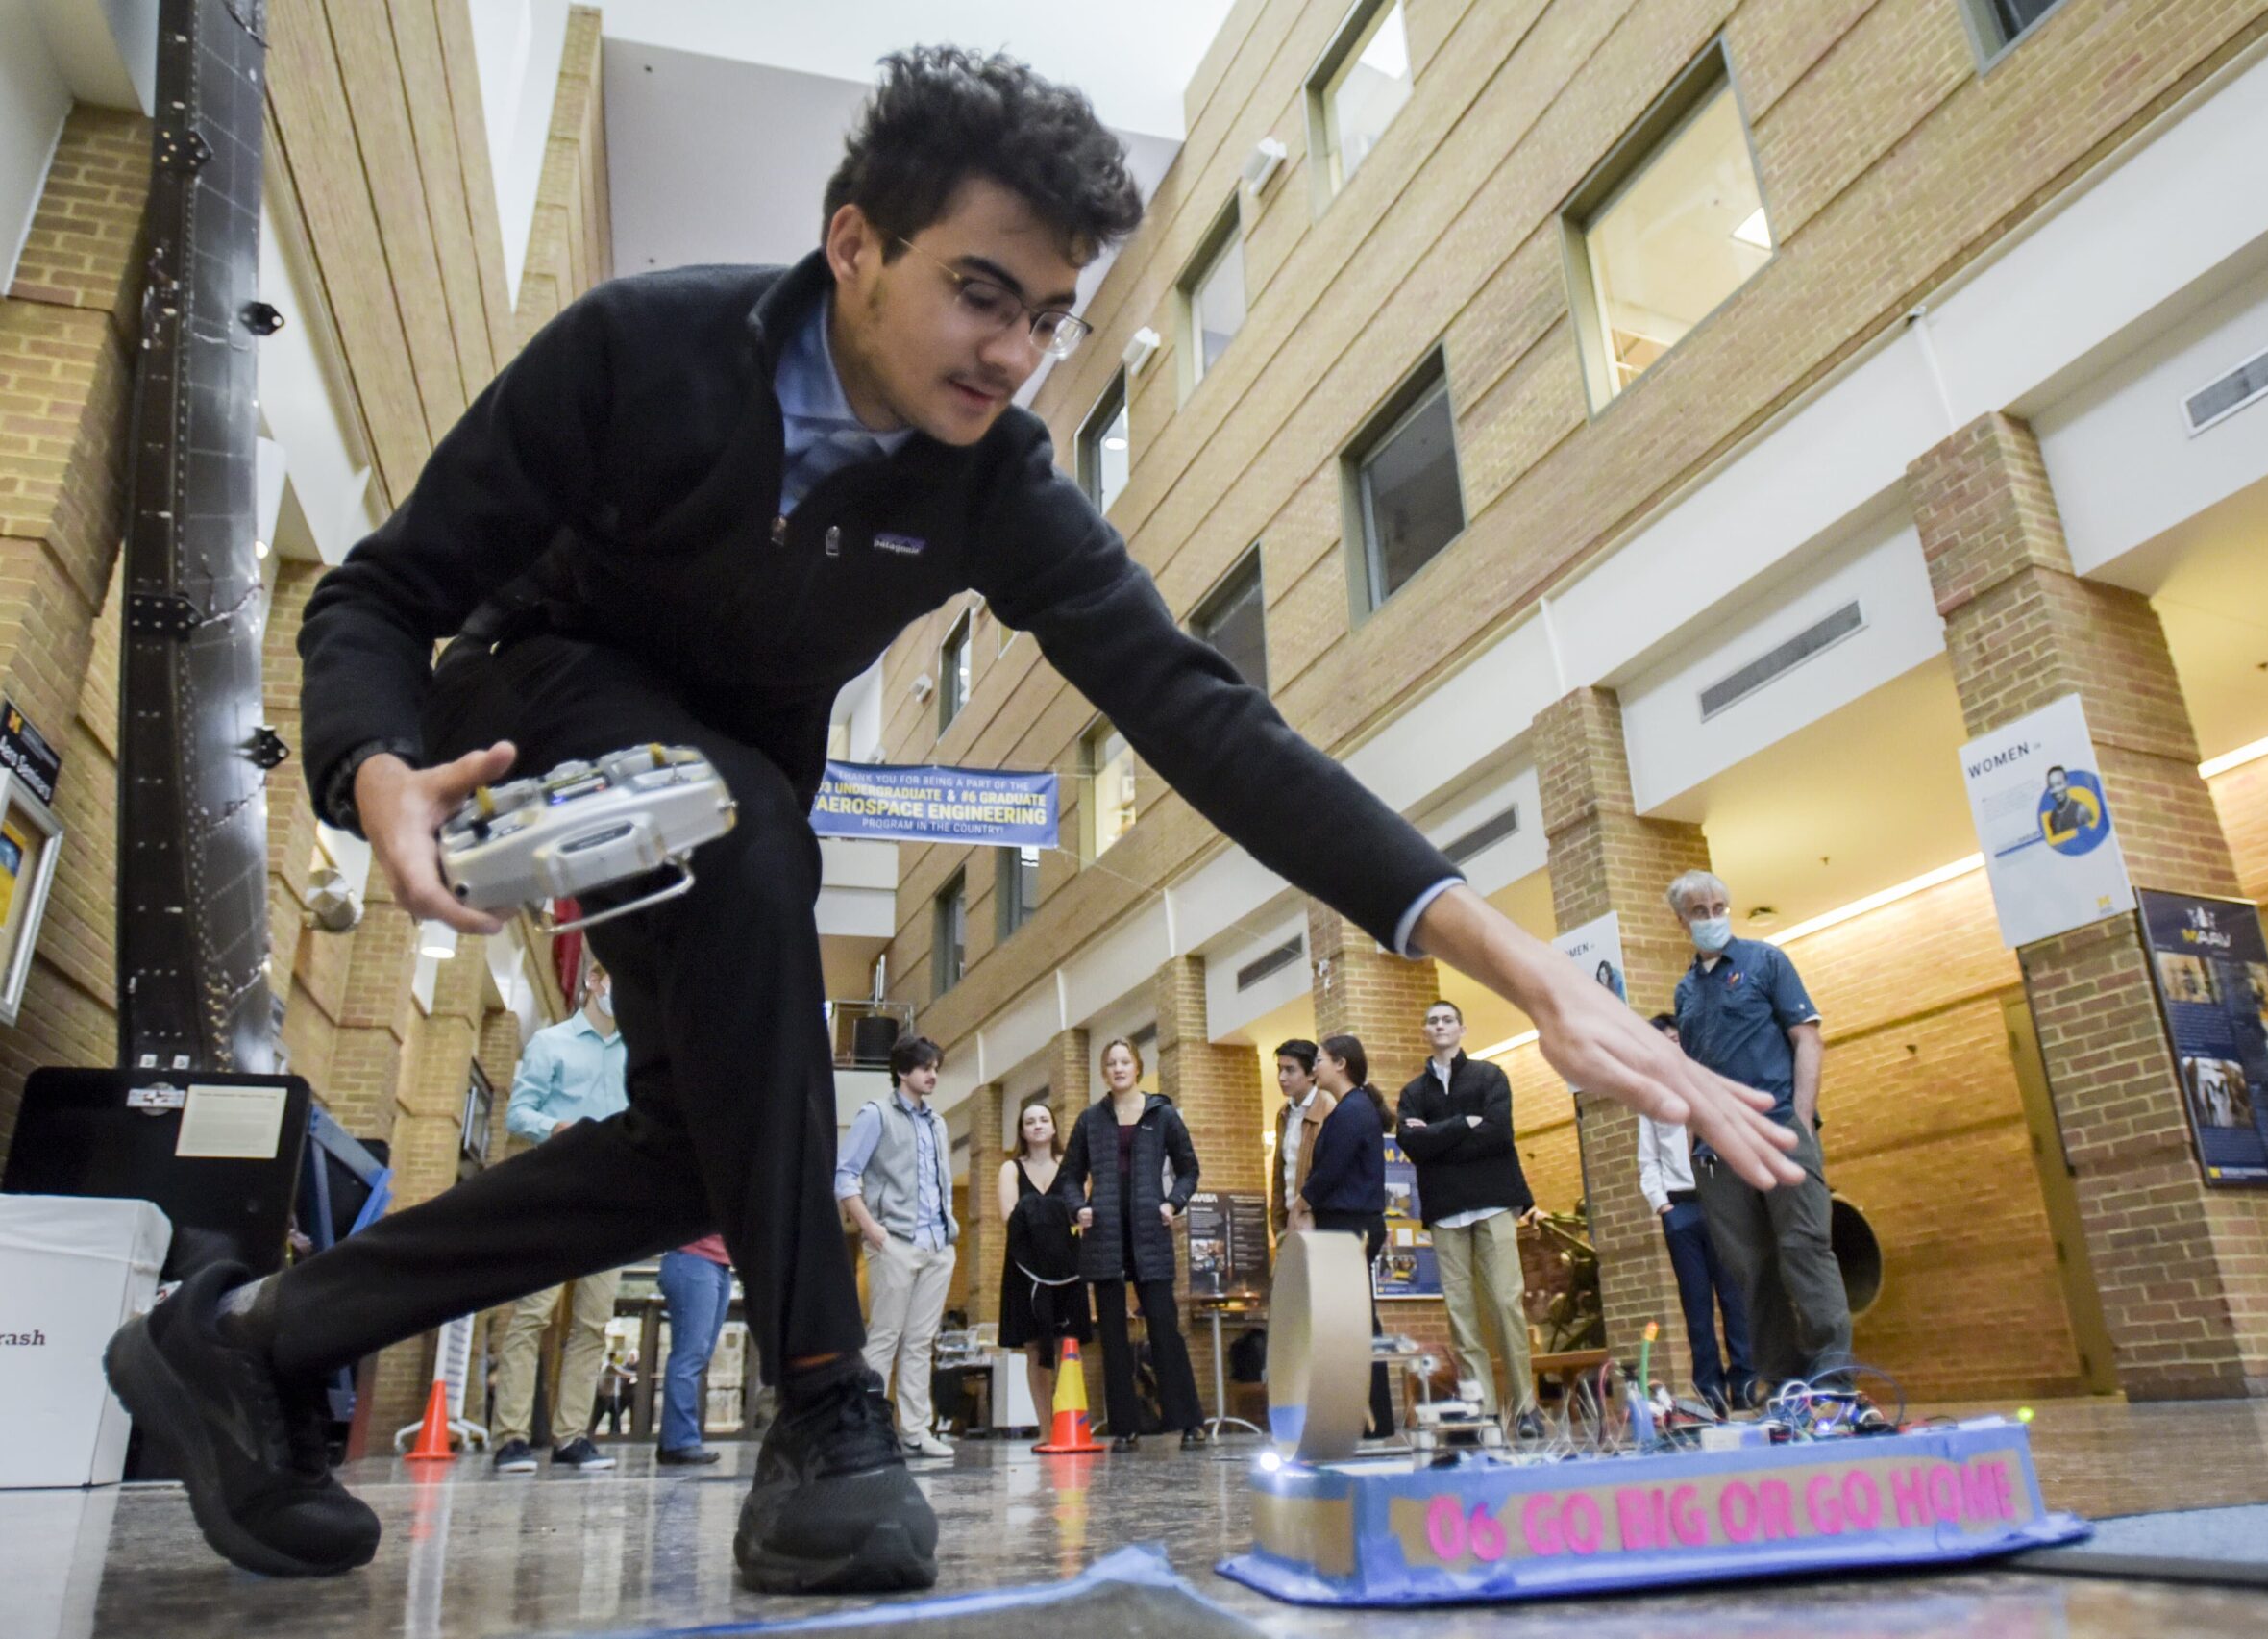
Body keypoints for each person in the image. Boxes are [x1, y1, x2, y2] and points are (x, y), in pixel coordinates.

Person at [104, 46, 1797, 1593]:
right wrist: (372, 770)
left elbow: (1208, 721)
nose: (1014, 351)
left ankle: (253, 1334)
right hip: (536, 707)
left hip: (723, 809)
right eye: (980, 292)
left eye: (1050, 314)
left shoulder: (994, 479)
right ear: (854, 245)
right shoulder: (639, 350)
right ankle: (829, 1407)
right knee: (752, 822)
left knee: (703, 1144)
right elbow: (381, 595)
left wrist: (1529, 972)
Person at [1666, 870, 1851, 1391]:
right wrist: (1693, 1143)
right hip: (1718, 1152)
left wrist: (1802, 1119)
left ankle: (1833, 1377)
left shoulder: (1767, 962)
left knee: (1805, 1248)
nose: (1711, 918)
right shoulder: (1685, 991)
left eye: (1719, 906)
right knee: (1751, 1268)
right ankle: (1785, 1382)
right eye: (1699, 912)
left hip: (1779, 1134)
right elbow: (1692, 1075)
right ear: (1682, 921)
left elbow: (1807, 1039)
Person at [489, 959, 627, 1476]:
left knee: (592, 1322)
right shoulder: (551, 1043)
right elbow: (517, 1113)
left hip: (608, 1200)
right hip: (552, 1191)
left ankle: (572, 1435)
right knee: (532, 1314)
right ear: (594, 981)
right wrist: (556, 1126)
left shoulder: (636, 1056)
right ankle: (512, 1437)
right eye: (616, 982)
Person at [1396, 1000, 1542, 1440]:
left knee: (1504, 1304)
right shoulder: (1412, 1092)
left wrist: (1437, 1136)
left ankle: (1527, 1407)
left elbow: (1498, 1132)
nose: (1439, 1025)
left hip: (1496, 1201)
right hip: (1445, 1211)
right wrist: (1465, 1124)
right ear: (1425, 1030)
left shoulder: (1489, 1076)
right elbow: (1413, 1146)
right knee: (1462, 1317)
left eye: (1447, 1019)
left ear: (1462, 1028)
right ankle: (1484, 1410)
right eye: (1432, 1020)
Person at [1058, 1039, 1207, 1451]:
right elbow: (1070, 1176)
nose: (1118, 1068)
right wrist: (1078, 1208)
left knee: (1165, 1330)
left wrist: (1172, 1202)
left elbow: (1189, 1170)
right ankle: (1125, 1427)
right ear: (1104, 1072)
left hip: (1150, 1234)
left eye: (1125, 1061)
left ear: (1138, 1067)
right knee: (1112, 1334)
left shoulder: (1162, 1115)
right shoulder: (1090, 1120)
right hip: (1104, 1236)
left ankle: (1189, 1421)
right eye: (1111, 1062)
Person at [836, 1036, 959, 1460]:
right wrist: (871, 1229)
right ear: (903, 1071)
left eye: (936, 1067)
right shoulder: (876, 1115)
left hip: (937, 1246)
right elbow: (845, 1176)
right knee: (885, 1336)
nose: (933, 1074)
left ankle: (915, 1430)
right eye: (925, 1067)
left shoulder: (937, 1123)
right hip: (895, 1243)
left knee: (921, 1340)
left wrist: (947, 1236)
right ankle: (862, 1427)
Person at [1639, 1013, 1752, 1411]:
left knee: (1734, 1297)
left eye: (1676, 1037)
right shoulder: (1651, 1098)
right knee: (1696, 1305)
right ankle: (1710, 1387)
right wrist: (1664, 1206)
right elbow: (1647, 1160)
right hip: (1681, 1209)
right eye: (1663, 1040)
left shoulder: (1710, 1084)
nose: (1672, 1044)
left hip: (1721, 1203)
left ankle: (1745, 1380)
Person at [1297, 1034, 1396, 1439]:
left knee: (1355, 1324)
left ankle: (1371, 1419)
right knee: (1353, 1321)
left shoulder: (1353, 1110)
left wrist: (1301, 1203)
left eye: (1318, 1059)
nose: (1314, 1066)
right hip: (1346, 1224)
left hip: (1349, 1225)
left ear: (1340, 1064)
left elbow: (1331, 1169)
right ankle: (1365, 1417)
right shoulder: (1347, 1110)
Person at [996, 1098, 1089, 1438]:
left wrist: (1038, 1213)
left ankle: (1070, 1424)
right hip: (1026, 1269)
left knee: (1068, 1342)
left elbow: (1079, 1212)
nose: (1037, 1125)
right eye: (1029, 1121)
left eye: (1043, 1119)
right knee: (1035, 1345)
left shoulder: (1071, 1166)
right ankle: (1047, 1429)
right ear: (1022, 1130)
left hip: (1067, 1267)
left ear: (1053, 1127)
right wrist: (1052, 1215)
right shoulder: (1010, 1169)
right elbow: (1010, 1216)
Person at [655, 1234, 733, 1466]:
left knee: (697, 1355)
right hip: (692, 1258)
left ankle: (673, 1440)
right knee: (689, 1355)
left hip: (719, 1264)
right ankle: (680, 1442)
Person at [1269, 1038, 1335, 1241]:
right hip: (1291, 1221)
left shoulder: (1328, 1107)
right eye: (1280, 1069)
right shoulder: (1284, 1113)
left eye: (1290, 1070)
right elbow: (1280, 1173)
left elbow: (1329, 1169)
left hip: (1319, 1221)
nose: (1282, 1077)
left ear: (1312, 1073)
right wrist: (1279, 1225)